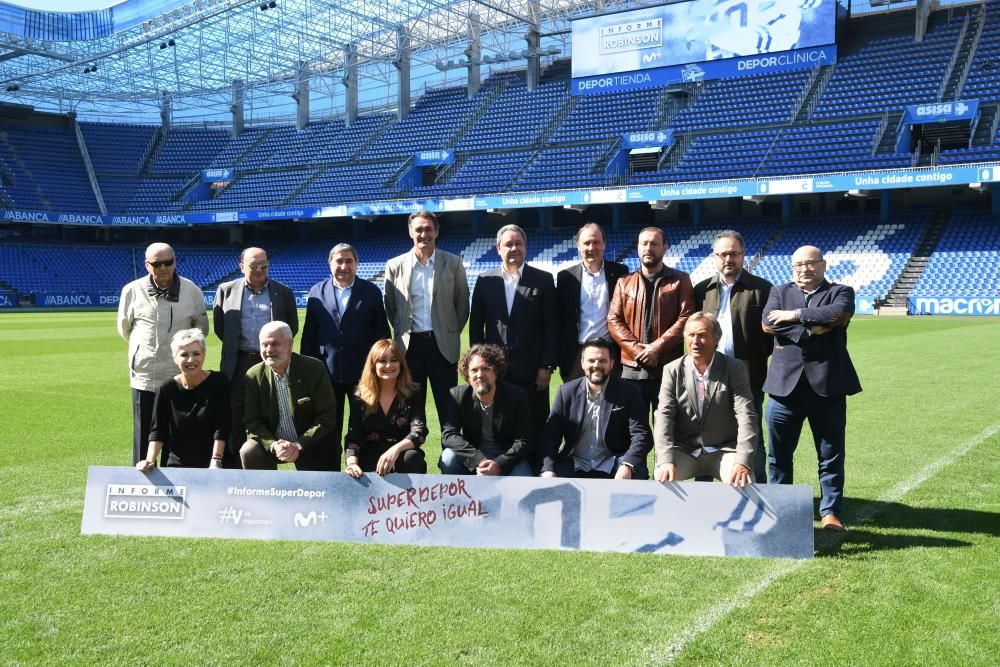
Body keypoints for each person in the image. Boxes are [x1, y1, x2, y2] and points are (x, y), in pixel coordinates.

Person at [762, 245, 862, 531]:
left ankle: (830, 512)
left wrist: (793, 316)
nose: (804, 269)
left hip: (827, 388)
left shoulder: (841, 291)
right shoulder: (778, 291)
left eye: (810, 263)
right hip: (784, 390)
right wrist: (811, 329)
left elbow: (837, 313)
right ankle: (781, 509)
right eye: (798, 265)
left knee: (830, 455)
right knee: (778, 455)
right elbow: (768, 324)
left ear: (823, 264)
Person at [469, 224, 557, 461]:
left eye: (518, 243)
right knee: (500, 423)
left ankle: (538, 470)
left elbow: (551, 327)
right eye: (508, 244)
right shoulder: (485, 280)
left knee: (536, 424)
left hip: (532, 372)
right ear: (498, 248)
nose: (514, 248)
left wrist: (546, 366)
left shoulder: (544, 280)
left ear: (526, 247)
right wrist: (476, 366)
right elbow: (476, 327)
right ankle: (503, 465)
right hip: (495, 370)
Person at [117, 242, 209, 465]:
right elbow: (125, 328)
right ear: (147, 265)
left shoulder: (192, 291)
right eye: (157, 264)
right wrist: (144, 350)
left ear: (175, 262)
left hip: (179, 377)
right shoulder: (131, 290)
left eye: (168, 262)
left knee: (177, 435)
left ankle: (175, 488)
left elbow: (201, 330)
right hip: (145, 376)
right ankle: (141, 485)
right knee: (142, 436)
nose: (163, 268)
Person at [693, 230, 773, 483]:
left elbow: (769, 338)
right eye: (723, 254)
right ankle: (705, 497)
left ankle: (758, 493)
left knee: (752, 439)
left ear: (743, 255)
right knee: (704, 439)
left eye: (734, 253)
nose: (729, 259)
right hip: (707, 380)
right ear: (714, 257)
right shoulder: (701, 290)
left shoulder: (762, 289)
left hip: (747, 380)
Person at [213, 247, 298, 468]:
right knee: (235, 417)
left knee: (269, 416)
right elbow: (222, 329)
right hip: (238, 363)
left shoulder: (283, 292)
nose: (259, 270)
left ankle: (265, 466)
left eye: (263, 265)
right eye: (253, 265)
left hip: (271, 364)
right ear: (241, 266)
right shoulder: (225, 290)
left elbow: (291, 328)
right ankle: (234, 470)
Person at [301, 243, 391, 450]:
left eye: (349, 261)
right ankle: (331, 475)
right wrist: (308, 371)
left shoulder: (371, 291)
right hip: (326, 372)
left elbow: (382, 334)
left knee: (365, 426)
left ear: (357, 264)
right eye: (338, 261)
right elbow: (309, 336)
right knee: (328, 428)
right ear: (329, 263)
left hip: (363, 373)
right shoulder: (316, 292)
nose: (344, 266)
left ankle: (363, 469)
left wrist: (379, 368)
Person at [383, 210, 470, 420]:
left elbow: (462, 305)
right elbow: (391, 307)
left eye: (428, 229)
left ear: (436, 232)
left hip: (443, 347)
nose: (424, 234)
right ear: (411, 233)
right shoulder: (394, 266)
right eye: (419, 230)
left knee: (448, 407)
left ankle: (450, 452)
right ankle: (413, 453)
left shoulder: (454, 263)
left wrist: (448, 330)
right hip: (409, 348)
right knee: (412, 409)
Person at [652, 312, 756, 486]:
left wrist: (742, 461)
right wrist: (665, 461)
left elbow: (747, 416)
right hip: (684, 450)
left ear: (717, 339)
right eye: (691, 335)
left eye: (702, 335)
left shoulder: (734, 368)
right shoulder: (672, 370)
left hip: (723, 451)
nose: (695, 341)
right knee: (663, 479)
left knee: (743, 481)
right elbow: (664, 417)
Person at [608, 226, 696, 419]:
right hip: (632, 370)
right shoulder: (624, 282)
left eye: (654, 244)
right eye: (644, 243)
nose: (648, 248)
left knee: (668, 431)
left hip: (667, 368)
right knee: (631, 432)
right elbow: (614, 320)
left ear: (665, 248)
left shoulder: (681, 280)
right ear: (638, 248)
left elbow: (686, 318)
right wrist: (638, 351)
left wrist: (657, 348)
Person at [541, 338, 651, 479]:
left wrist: (627, 464)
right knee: (550, 476)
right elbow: (551, 435)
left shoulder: (629, 392)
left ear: (611, 364)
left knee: (638, 471)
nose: (596, 365)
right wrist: (548, 469)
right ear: (582, 363)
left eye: (602, 361)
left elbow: (641, 434)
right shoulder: (566, 392)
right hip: (576, 461)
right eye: (591, 360)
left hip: (613, 461)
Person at [241, 321, 341, 471]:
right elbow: (253, 423)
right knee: (249, 450)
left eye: (275, 344)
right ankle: (264, 493)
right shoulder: (253, 375)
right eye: (264, 345)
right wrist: (274, 445)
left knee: (328, 445)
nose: (269, 350)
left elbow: (326, 418)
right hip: (276, 445)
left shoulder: (315, 369)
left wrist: (298, 445)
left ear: (290, 345)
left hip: (310, 442)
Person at [136, 329, 229, 472]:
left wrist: (216, 460)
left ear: (204, 355)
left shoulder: (219, 382)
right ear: (175, 358)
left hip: (213, 463)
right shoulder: (166, 389)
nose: (191, 360)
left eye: (196, 353)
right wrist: (149, 461)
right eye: (184, 355)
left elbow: (221, 427)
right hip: (176, 465)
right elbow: (158, 431)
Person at [439, 344, 534, 476]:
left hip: (507, 457)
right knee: (448, 458)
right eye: (474, 370)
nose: (479, 375)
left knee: (524, 478)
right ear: (467, 374)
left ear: (496, 371)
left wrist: (499, 464)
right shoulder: (457, 396)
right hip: (474, 455)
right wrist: (478, 459)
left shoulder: (516, 396)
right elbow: (449, 435)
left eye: (485, 369)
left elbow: (525, 440)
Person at [344, 339, 428, 478]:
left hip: (401, 453)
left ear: (401, 364)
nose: (388, 365)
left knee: (413, 459)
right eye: (382, 361)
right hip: (369, 456)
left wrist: (394, 450)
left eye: (394, 360)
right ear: (373, 365)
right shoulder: (360, 397)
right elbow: (354, 437)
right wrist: (352, 464)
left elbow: (419, 432)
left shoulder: (413, 392)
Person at [556, 223, 629, 383]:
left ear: (604, 244)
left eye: (596, 242)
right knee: (576, 403)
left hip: (610, 351)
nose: (591, 247)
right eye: (587, 243)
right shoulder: (566, 278)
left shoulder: (620, 273)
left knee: (612, 403)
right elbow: (559, 319)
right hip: (577, 354)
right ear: (578, 246)